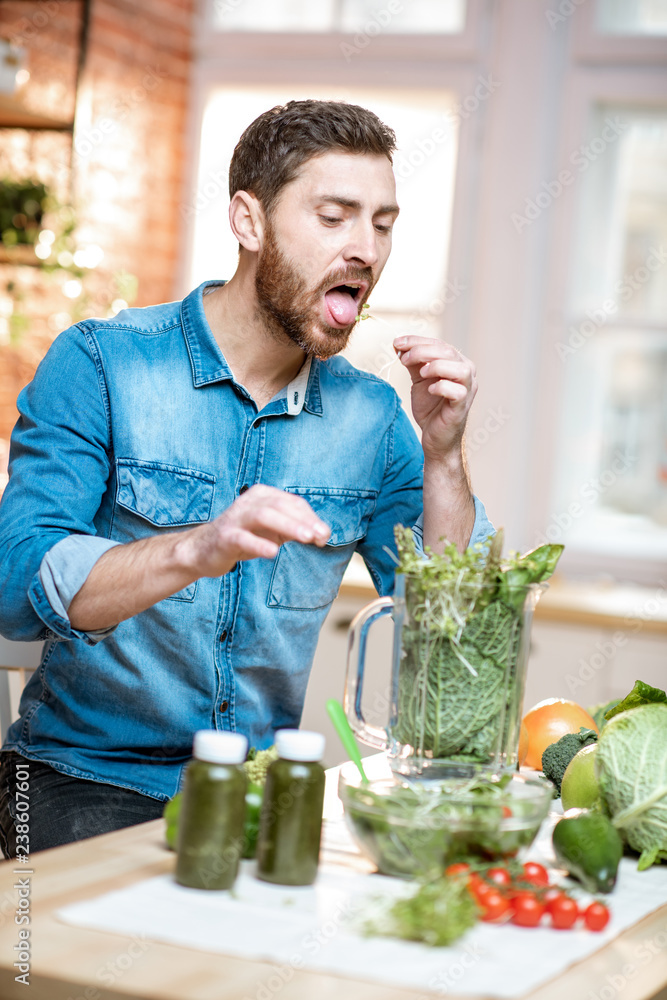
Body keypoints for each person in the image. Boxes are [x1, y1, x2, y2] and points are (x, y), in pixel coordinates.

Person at [0, 100, 492, 855]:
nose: (365, 248)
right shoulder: (104, 364)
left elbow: (447, 623)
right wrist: (197, 548)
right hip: (83, 780)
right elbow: (15, 589)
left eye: (382, 223)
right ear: (248, 222)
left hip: (259, 792)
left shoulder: (374, 417)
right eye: (334, 217)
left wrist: (444, 460)